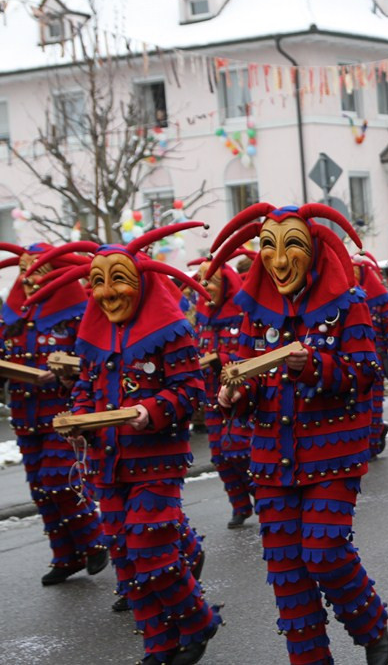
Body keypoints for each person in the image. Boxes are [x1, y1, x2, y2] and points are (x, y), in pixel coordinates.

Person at [28, 224, 222, 665]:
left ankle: (197, 621)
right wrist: (77, 418)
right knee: (127, 563)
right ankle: (158, 645)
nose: (106, 293)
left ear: (141, 282)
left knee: (150, 554)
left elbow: (191, 391)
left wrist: (149, 411)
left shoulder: (171, 332)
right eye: (97, 282)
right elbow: (86, 388)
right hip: (106, 463)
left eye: (118, 279)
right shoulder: (94, 335)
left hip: (157, 461)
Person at [208, 203, 388, 665]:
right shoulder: (254, 314)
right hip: (271, 459)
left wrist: (312, 364)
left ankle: (369, 625)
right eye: (268, 246)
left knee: (325, 550)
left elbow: (367, 374)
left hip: (332, 454)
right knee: (287, 572)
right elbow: (247, 380)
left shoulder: (349, 306)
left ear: (312, 251)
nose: (278, 258)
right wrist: (233, 395)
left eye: (291, 245)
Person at [0, 243, 109, 586]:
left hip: (63, 413)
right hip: (25, 414)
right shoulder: (13, 317)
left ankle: (94, 541)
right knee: (40, 490)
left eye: (38, 271)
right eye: (24, 272)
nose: (29, 280)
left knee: (59, 481)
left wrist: (64, 372)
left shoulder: (78, 313)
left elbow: (95, 365)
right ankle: (66, 556)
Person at [190, 256, 255, 529]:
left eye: (211, 282)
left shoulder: (243, 314)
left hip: (239, 394)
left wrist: (223, 358)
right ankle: (240, 506)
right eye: (202, 283)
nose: (205, 288)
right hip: (210, 396)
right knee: (219, 456)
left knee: (242, 451)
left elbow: (250, 353)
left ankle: (263, 496)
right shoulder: (200, 319)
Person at [355, 255, 388, 458]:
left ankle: (373, 444)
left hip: (375, 360)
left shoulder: (380, 299)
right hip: (351, 363)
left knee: (374, 403)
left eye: (354, 270)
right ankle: (366, 441)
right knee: (357, 406)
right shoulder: (342, 298)